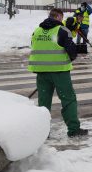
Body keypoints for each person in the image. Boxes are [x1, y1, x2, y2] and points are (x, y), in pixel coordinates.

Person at [28, 8, 88, 137]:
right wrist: (69, 59)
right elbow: (72, 50)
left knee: (43, 102)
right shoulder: (62, 30)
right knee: (68, 99)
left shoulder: (37, 31)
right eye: (62, 17)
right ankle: (73, 129)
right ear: (59, 17)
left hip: (41, 72)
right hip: (59, 71)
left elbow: (33, 46)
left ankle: (43, 132)